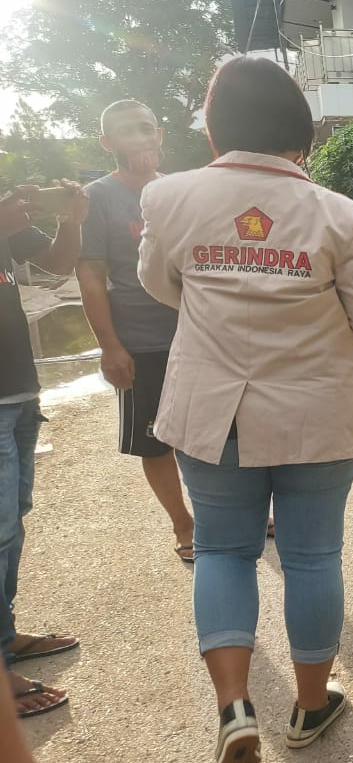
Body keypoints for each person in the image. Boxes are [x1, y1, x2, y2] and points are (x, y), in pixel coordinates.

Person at [137, 56, 353, 763]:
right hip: (317, 410)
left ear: (216, 128)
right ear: (302, 135)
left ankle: (233, 706)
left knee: (223, 550)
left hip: (210, 410)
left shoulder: (169, 198)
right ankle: (311, 705)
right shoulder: (340, 215)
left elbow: (160, 284)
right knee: (313, 556)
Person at [75, 99, 195, 563]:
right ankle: (184, 525)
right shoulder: (98, 197)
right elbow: (90, 274)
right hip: (140, 342)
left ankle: (226, 512)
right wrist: (110, 346)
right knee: (154, 439)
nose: (141, 138)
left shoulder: (182, 190)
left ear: (160, 135)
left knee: (216, 431)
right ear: (108, 143)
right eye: (128, 131)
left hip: (198, 336)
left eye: (147, 129)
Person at [2, 182, 88, 719]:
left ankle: (5, 636)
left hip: (18, 390)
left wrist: (72, 219)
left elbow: (57, 264)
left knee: (13, 519)